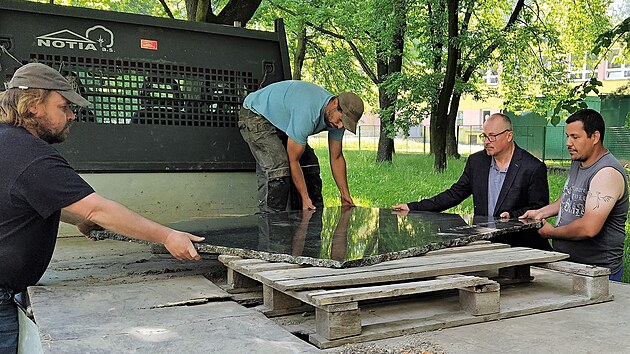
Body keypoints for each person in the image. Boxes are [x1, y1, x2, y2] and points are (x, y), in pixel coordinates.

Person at [0, 62, 204, 353]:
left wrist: (77, 219)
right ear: (33, 106)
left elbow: (22, 203)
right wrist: (168, 236)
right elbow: (99, 210)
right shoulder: (31, 155)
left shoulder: (6, 142)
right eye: (63, 107)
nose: (72, 115)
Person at [393, 113, 551, 251]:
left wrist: (512, 215)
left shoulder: (533, 167)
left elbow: (539, 209)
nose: (486, 141)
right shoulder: (477, 162)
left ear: (509, 136)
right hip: (484, 244)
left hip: (521, 247)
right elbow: (454, 194)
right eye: (484, 136)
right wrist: (413, 207)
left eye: (492, 136)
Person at [520, 109, 628, 281]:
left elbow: (589, 228)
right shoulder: (579, 160)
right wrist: (542, 212)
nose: (568, 143)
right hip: (570, 265)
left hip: (597, 273)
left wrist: (551, 233)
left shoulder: (607, 173)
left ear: (595, 137)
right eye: (567, 136)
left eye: (575, 137)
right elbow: (570, 196)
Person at [238, 80, 364, 213]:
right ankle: (272, 227)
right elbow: (294, 160)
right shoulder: (308, 111)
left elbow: (336, 157)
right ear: (335, 103)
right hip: (256, 114)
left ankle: (309, 221)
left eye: (344, 124)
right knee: (278, 168)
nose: (340, 127)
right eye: (340, 121)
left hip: (283, 119)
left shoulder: (338, 121)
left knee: (310, 166)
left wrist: (345, 195)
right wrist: (305, 197)